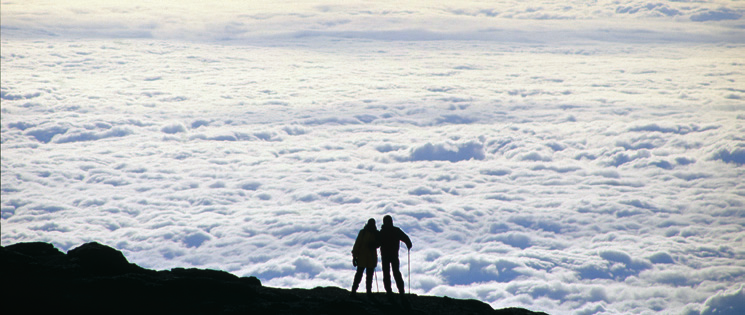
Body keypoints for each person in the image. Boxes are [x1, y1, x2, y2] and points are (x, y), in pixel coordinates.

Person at [379, 215, 412, 301]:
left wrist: (371, 246)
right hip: (393, 255)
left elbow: (377, 243)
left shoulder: (382, 232)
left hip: (385, 256)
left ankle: (389, 292)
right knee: (396, 273)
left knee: (387, 274)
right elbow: (405, 237)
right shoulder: (395, 230)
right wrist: (408, 243)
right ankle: (401, 292)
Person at [350, 218, 380, 298]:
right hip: (368, 259)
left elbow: (357, 245)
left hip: (364, 258)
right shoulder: (374, 233)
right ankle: (365, 292)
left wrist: (355, 257)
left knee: (362, 276)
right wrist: (354, 257)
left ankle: (355, 291)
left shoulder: (365, 233)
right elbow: (357, 245)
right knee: (364, 276)